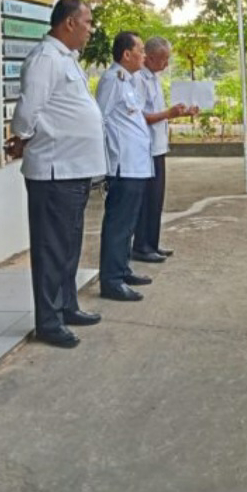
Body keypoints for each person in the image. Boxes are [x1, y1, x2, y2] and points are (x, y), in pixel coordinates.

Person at [8, 0, 105, 350]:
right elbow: (27, 112)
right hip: (54, 169)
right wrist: (23, 138)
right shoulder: (46, 59)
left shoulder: (67, 59)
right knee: (51, 248)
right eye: (87, 22)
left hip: (74, 168)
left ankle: (66, 305)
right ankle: (48, 321)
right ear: (68, 23)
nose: (90, 29)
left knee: (68, 245)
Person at [96, 32, 155, 302]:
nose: (144, 55)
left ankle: (121, 268)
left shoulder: (129, 82)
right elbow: (101, 119)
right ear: (126, 54)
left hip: (137, 164)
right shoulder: (113, 80)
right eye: (140, 50)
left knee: (128, 223)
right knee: (119, 224)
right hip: (124, 165)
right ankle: (111, 280)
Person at [133, 36, 194, 264]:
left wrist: (180, 113)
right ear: (148, 57)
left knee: (156, 199)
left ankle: (152, 242)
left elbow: (159, 112)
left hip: (157, 146)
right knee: (146, 200)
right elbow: (139, 117)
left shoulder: (155, 79)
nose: (166, 64)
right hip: (145, 147)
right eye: (162, 59)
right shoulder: (138, 79)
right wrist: (169, 114)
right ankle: (141, 245)